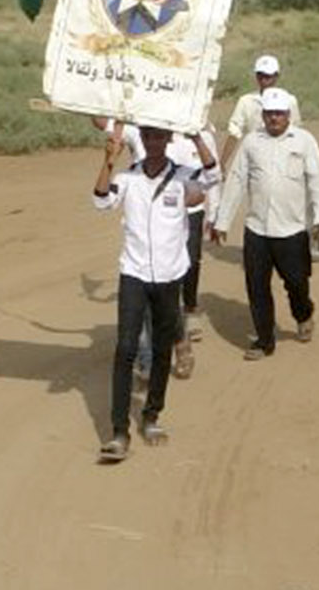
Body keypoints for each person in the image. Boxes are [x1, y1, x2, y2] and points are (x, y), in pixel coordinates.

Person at [91, 125, 218, 462]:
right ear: (142, 141)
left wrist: (195, 137)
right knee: (126, 349)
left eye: (160, 136)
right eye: (148, 137)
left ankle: (151, 417)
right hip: (133, 274)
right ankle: (119, 432)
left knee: (162, 350)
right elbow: (101, 200)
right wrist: (107, 160)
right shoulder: (128, 177)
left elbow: (212, 175)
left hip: (169, 276)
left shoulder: (183, 176)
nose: (154, 142)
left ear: (168, 140)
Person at [212, 88, 319, 361]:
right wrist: (223, 220)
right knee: (257, 287)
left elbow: (316, 182)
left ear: (288, 115)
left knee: (297, 283)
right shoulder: (252, 142)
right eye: (269, 113)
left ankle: (303, 314)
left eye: (279, 113)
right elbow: (237, 181)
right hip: (257, 230)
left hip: (292, 230)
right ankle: (265, 340)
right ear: (262, 115)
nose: (274, 118)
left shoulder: (304, 141)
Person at [221, 55, 285, 173]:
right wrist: (222, 163)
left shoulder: (288, 100)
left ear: (276, 76)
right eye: (260, 76)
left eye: (268, 76)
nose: (263, 80)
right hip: (255, 158)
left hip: (281, 158)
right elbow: (234, 132)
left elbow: (294, 132)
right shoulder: (246, 101)